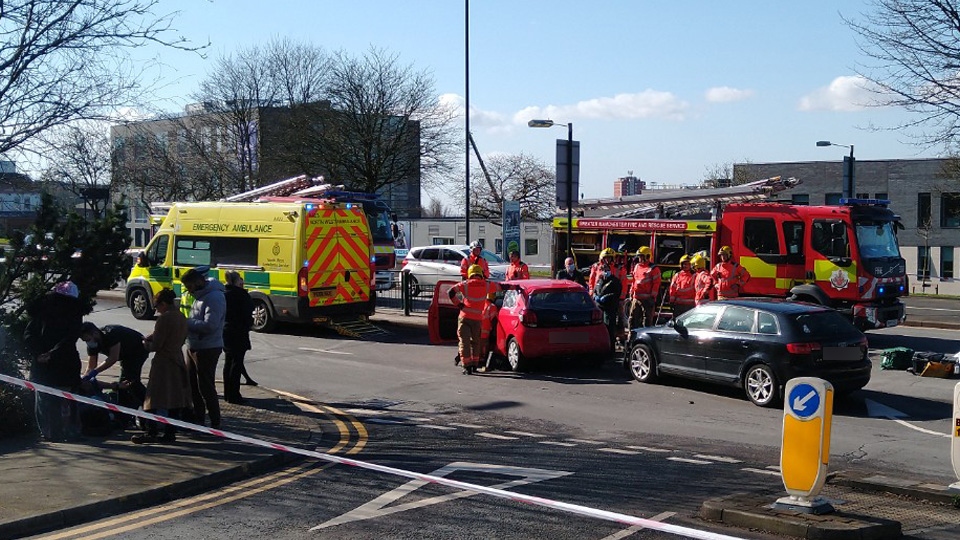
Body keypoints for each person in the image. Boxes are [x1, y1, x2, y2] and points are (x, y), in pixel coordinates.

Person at [24, 281, 83, 441]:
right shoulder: (74, 314)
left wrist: (40, 354)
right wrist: (49, 353)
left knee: (46, 399)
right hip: (64, 363)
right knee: (65, 399)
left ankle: (51, 433)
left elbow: (29, 335)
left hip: (48, 365)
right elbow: (70, 338)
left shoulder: (42, 312)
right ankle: (67, 432)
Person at [134, 288, 192, 444]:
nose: (156, 310)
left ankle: (151, 431)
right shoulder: (181, 317)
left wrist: (145, 344)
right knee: (174, 400)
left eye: (157, 306)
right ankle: (170, 433)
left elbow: (157, 345)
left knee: (152, 398)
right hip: (177, 360)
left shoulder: (164, 319)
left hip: (164, 363)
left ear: (164, 304)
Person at [182, 265, 226, 428]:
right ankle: (198, 418)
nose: (189, 291)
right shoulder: (200, 296)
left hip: (207, 347)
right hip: (194, 344)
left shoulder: (214, 297)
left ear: (199, 282)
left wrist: (187, 323)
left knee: (205, 386)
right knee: (192, 383)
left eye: (190, 287)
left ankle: (215, 423)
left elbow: (210, 325)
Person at [79, 322, 149, 416]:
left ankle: (150, 408)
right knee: (123, 385)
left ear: (95, 333)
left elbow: (113, 358)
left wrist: (95, 372)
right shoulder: (92, 345)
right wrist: (86, 377)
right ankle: (126, 413)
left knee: (132, 381)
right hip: (124, 355)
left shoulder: (111, 334)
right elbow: (91, 366)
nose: (88, 342)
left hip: (137, 350)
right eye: (85, 341)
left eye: (87, 339)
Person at [448, 264, 503, 374]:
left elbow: (450, 292)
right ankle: (474, 364)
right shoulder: (486, 285)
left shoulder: (465, 284)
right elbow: (501, 286)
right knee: (476, 342)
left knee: (464, 342)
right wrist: (516, 286)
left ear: (470, 274)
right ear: (481, 274)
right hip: (477, 319)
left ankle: (466, 366)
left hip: (464, 317)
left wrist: (459, 305)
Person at [222, 271, 254, 405]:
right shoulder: (241, 295)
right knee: (236, 363)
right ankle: (234, 395)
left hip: (225, 331)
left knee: (228, 361)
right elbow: (248, 312)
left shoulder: (222, 294)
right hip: (239, 332)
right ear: (237, 281)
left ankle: (226, 394)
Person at [627, 246, 662, 329]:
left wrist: (653, 297)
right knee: (632, 319)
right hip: (636, 298)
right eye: (639, 257)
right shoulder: (637, 267)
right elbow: (634, 281)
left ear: (648, 256)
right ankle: (631, 337)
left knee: (647, 321)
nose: (640, 259)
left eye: (642, 256)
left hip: (647, 299)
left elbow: (656, 283)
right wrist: (631, 293)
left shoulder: (653, 269)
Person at [592, 262, 622, 350]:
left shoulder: (614, 281)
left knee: (610, 330)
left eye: (607, 270)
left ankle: (611, 349)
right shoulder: (599, 281)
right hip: (600, 308)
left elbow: (617, 293)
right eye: (603, 270)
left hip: (609, 309)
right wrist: (595, 296)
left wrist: (607, 297)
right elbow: (595, 291)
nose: (605, 272)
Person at [477, 292, 500, 373]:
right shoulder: (492, 307)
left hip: (476, 331)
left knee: (476, 348)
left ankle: (475, 363)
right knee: (485, 349)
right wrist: (494, 332)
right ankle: (484, 364)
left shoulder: (481, 304)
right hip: (486, 332)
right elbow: (494, 320)